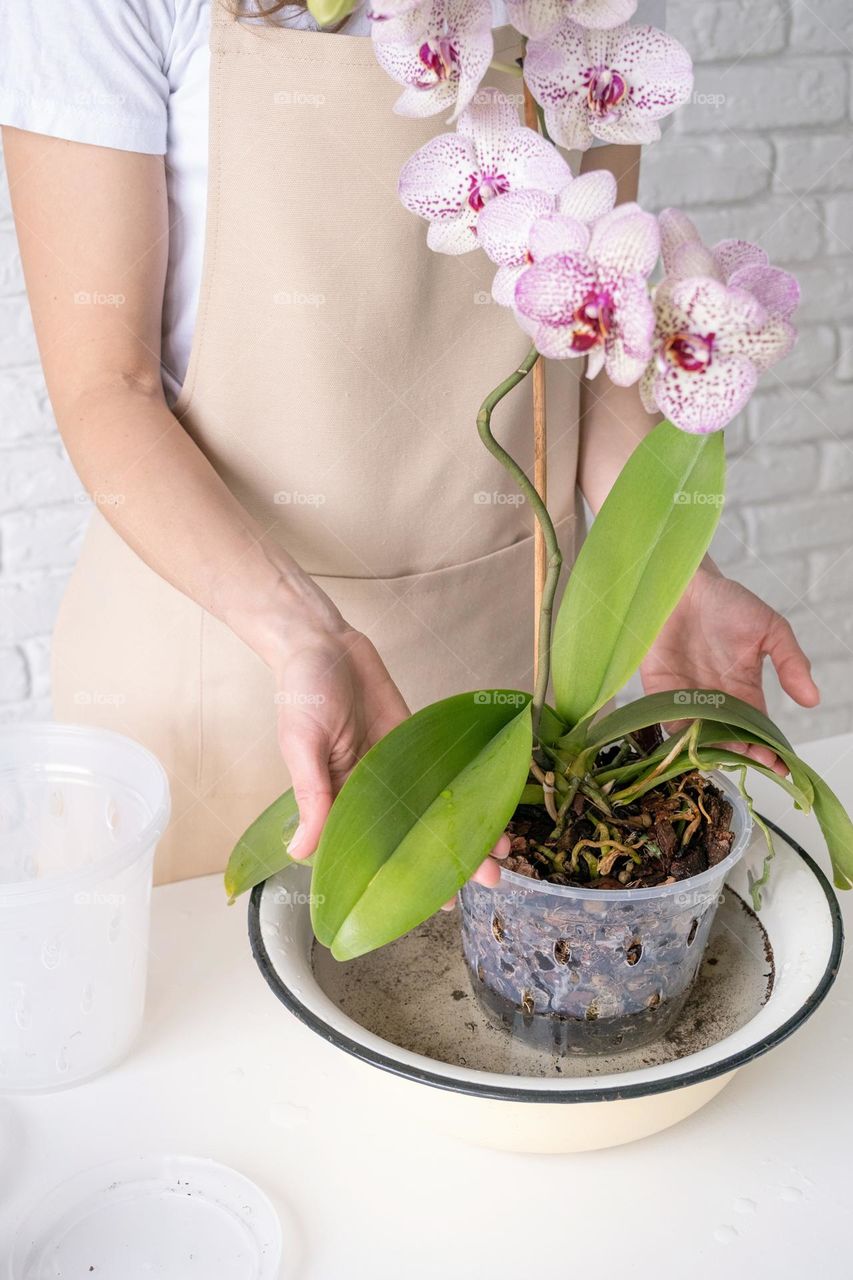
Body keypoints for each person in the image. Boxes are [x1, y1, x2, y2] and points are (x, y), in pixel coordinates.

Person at [0, 0, 819, 885]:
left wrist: (668, 577)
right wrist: (304, 635)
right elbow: (103, 386)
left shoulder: (578, 14)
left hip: (500, 659)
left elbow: (586, 332)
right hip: (222, 653)